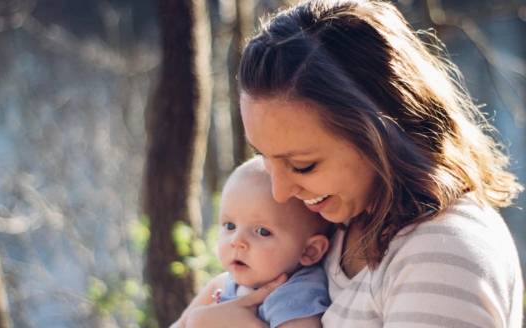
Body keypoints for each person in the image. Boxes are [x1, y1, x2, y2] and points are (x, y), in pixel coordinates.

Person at [183, 0, 524, 327]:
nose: (280, 191)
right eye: (263, 157)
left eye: (303, 165)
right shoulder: (335, 224)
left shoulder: (443, 254)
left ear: (382, 136)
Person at [173, 157, 333, 328]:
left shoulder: (295, 297)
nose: (236, 241)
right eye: (230, 226)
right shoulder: (222, 285)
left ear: (309, 251)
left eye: (262, 231)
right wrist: (195, 322)